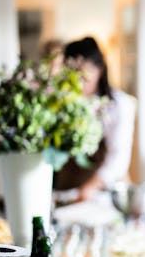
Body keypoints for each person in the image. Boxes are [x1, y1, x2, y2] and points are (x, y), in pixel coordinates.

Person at [52, 36, 137, 201]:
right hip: (63, 193)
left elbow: (118, 160)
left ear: (100, 69)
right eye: (71, 73)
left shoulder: (119, 104)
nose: (77, 81)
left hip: (103, 195)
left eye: (83, 74)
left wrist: (89, 189)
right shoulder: (59, 103)